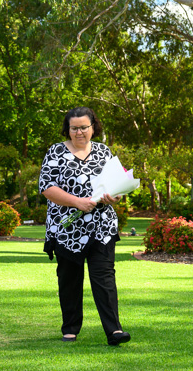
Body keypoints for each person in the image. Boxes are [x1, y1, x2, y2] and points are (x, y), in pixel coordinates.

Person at [38, 107, 130, 346]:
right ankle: (70, 328)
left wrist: (115, 196)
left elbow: (116, 184)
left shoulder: (103, 151)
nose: (79, 132)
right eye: (74, 128)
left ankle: (114, 330)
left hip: (101, 227)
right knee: (69, 279)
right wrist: (77, 202)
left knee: (104, 277)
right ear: (67, 129)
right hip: (67, 229)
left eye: (84, 127)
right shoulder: (56, 151)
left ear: (93, 127)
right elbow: (47, 187)